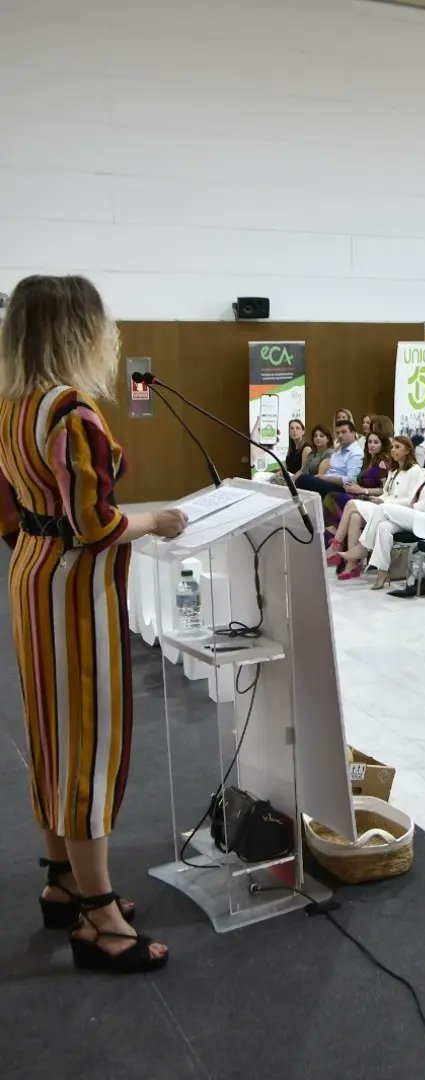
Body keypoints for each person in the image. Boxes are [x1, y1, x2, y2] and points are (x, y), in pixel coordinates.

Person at [0, 274, 188, 972]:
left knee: (51, 731)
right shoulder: (73, 411)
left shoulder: (13, 407)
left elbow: (10, 514)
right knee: (89, 740)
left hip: (31, 575)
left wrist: (40, 548)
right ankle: (99, 918)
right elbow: (96, 523)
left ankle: (62, 881)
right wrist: (157, 521)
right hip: (74, 588)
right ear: (79, 330)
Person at [351, 439, 425, 589]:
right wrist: (399, 507)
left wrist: (401, 508)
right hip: (416, 514)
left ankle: (363, 547)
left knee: (383, 509)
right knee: (383, 527)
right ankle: (382, 573)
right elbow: (411, 499)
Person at [328, 436, 424, 576]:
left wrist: (385, 502)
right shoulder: (394, 470)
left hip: (400, 513)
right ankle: (352, 565)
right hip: (384, 507)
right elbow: (386, 493)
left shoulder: (415, 470)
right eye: (392, 447)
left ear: (408, 450)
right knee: (354, 516)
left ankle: (336, 545)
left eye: (398, 447)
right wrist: (378, 499)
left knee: (350, 503)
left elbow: (412, 500)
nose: (393, 450)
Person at [295, 418, 364, 496]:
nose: (340, 435)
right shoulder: (338, 452)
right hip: (327, 482)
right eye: (338, 433)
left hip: (340, 488)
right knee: (297, 480)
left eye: (343, 432)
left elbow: (350, 480)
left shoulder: (354, 452)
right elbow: (302, 470)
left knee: (304, 479)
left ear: (353, 433)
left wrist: (325, 478)